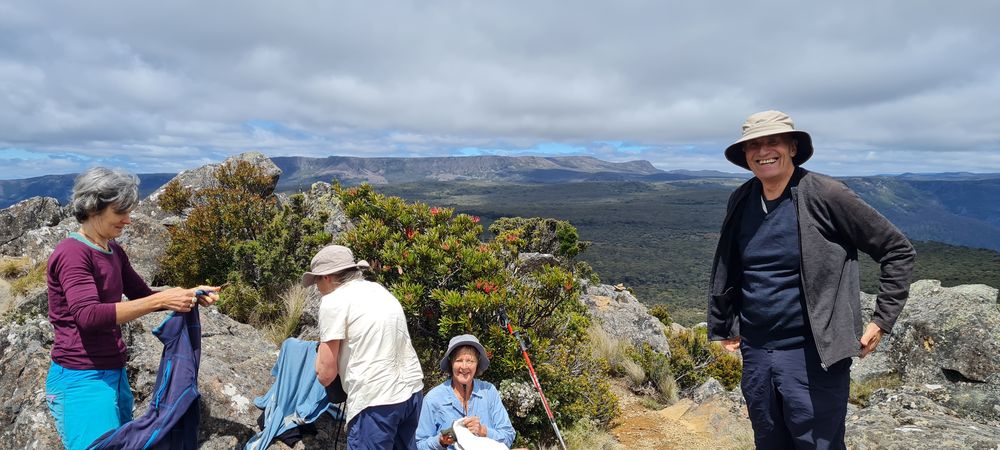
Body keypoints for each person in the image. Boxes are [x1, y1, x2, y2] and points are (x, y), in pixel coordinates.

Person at [707, 110, 915, 450]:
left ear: (792, 146)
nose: (763, 151)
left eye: (773, 141)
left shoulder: (826, 194)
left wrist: (882, 321)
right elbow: (734, 265)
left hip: (813, 356)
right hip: (757, 352)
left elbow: (897, 250)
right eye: (754, 145)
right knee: (769, 441)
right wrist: (726, 321)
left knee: (818, 444)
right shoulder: (742, 199)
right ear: (745, 155)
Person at [45, 167, 219, 450]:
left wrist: (188, 294)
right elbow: (88, 315)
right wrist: (160, 301)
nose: (127, 220)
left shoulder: (113, 251)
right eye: (119, 213)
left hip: (114, 371)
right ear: (93, 208)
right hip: (81, 379)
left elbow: (142, 295)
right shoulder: (72, 253)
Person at [305, 245, 424, 449]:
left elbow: (325, 373)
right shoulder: (378, 290)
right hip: (412, 391)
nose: (316, 286)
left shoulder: (333, 301)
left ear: (327, 277)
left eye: (316, 279)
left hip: (375, 401)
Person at [416, 334, 516, 450]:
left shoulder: (489, 392)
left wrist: (483, 431)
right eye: (459, 360)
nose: (464, 367)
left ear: (477, 364)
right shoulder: (433, 398)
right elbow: (419, 444)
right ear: (451, 363)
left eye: (470, 361)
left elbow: (508, 435)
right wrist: (441, 441)